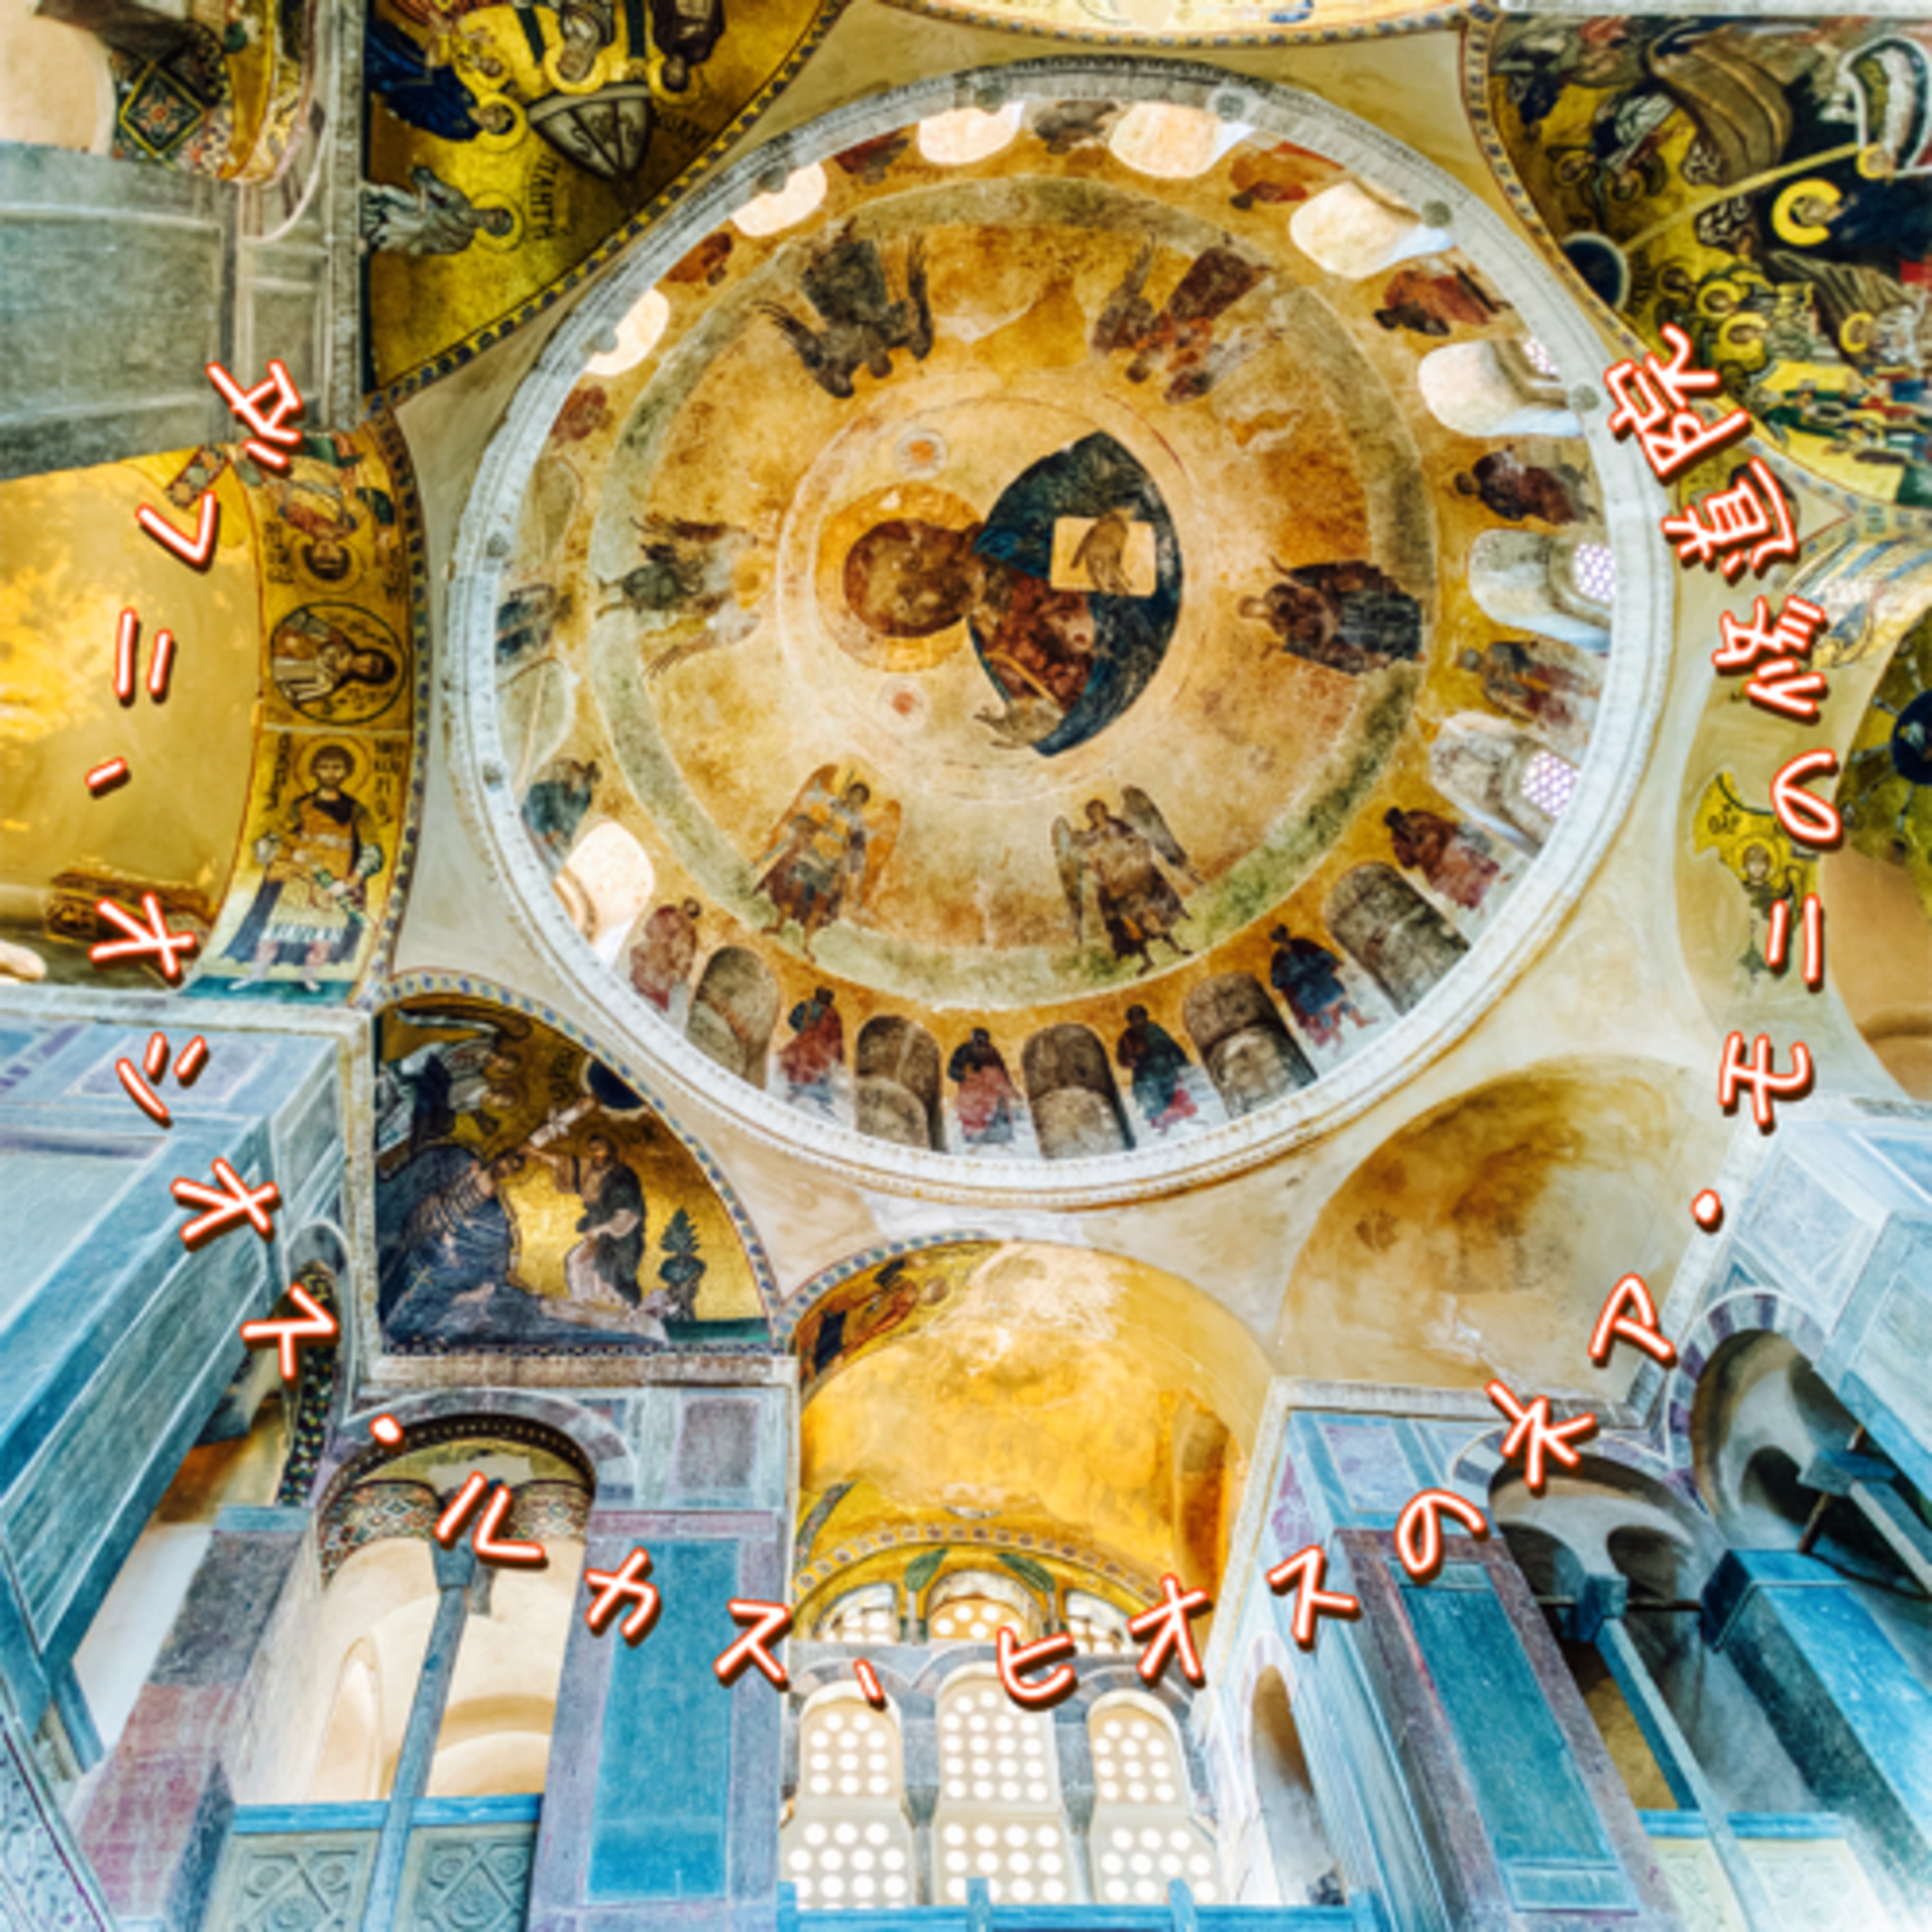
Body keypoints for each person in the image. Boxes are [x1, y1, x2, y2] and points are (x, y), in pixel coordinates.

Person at [226, 744, 384, 989]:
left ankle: (308, 977)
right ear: (315, 771)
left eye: (337, 767)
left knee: (323, 938)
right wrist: (277, 851)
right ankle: (257, 973)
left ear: (347, 772)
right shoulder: (300, 806)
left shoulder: (357, 812)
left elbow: (372, 851)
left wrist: (350, 882)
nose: (330, 773)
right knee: (273, 932)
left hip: (333, 883)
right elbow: (274, 836)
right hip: (297, 881)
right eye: (324, 767)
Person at [535, 1132, 649, 1312]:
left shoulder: (623, 1176)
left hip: (622, 1238)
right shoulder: (593, 1174)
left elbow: (628, 1215)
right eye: (591, 1150)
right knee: (577, 1260)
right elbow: (566, 1164)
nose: (594, 1155)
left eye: (599, 1149)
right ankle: (586, 1303)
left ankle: (624, 1311)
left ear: (611, 1150)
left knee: (609, 1272)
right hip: (600, 1234)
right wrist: (537, 1153)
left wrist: (601, 1229)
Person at [361, 166, 514, 256]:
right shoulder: (462, 203)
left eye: (495, 220)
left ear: (489, 229)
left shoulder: (462, 241)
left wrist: (423, 242)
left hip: (415, 235)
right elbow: (442, 191)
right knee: (399, 197)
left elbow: (434, 248)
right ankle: (370, 191)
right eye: (494, 212)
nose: (490, 215)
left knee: (417, 226)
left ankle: (372, 238)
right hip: (419, 209)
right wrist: (427, 182)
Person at [1267, 926, 1372, 1048]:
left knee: (1342, 1002)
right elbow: (1277, 982)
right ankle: (1338, 1039)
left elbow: (1320, 953)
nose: (1281, 938)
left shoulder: (1302, 944)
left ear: (1286, 934)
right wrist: (1289, 978)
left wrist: (1334, 962)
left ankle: (1359, 1021)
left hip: (1322, 979)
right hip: (1306, 990)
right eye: (1277, 936)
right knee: (1323, 1015)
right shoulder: (1278, 959)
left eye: (1282, 934)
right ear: (1276, 939)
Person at [1385, 807, 1499, 912]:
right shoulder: (1398, 839)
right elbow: (1407, 863)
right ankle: (1471, 894)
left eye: (1397, 818)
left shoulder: (1415, 817)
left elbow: (1439, 824)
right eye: (1394, 821)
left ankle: (1479, 884)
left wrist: (1436, 840)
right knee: (1446, 880)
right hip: (1433, 864)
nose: (1399, 823)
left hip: (1445, 847)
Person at [1115, 1006, 1197, 1132]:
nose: (1137, 1021)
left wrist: (1182, 1061)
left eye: (1139, 1016)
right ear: (1130, 1021)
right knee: (1149, 1097)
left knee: (1175, 1093)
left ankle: (1182, 1119)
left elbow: (1171, 1046)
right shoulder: (1127, 1037)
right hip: (1145, 1072)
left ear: (1145, 1017)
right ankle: (1161, 1123)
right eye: (1134, 1018)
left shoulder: (1155, 1030)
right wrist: (1129, 1061)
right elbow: (1122, 1058)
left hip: (1165, 1068)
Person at [947, 1028, 1021, 1147]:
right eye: (978, 1041)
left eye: (983, 1042)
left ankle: (1000, 1136)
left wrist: (1009, 1088)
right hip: (972, 1094)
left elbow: (1002, 1072)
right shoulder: (964, 1050)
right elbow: (953, 1072)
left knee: (998, 1111)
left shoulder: (992, 1051)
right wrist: (968, 1076)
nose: (981, 1047)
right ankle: (975, 1137)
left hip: (993, 1091)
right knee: (974, 1117)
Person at [629, 898, 701, 1013]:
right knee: (645, 972)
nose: (683, 913)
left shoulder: (689, 934)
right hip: (654, 953)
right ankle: (638, 991)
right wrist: (662, 934)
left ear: (691, 917)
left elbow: (686, 959)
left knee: (658, 982)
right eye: (684, 909)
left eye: (689, 913)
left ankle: (651, 1004)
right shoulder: (669, 915)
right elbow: (650, 929)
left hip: (665, 966)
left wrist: (676, 962)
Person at [779, 988, 844, 1112]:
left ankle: (810, 1098)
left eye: (827, 996)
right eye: (823, 996)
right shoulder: (807, 1006)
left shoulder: (832, 1014)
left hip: (820, 1049)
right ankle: (794, 1093)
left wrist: (835, 1055)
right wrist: (803, 1027)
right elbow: (793, 1020)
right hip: (806, 1043)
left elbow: (836, 1036)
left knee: (816, 1072)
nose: (825, 999)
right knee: (800, 1066)